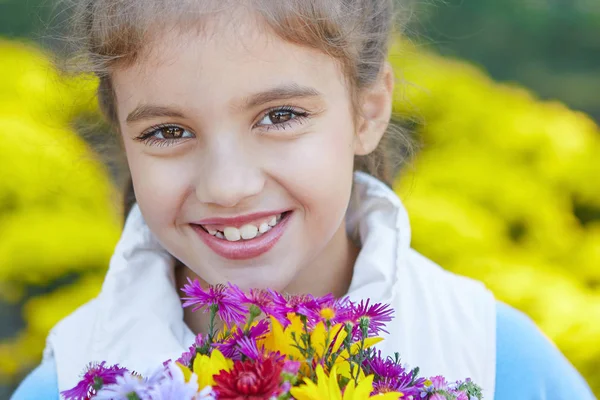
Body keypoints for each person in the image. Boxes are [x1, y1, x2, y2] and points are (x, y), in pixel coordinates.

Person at [11, 0, 595, 399]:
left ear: (368, 111)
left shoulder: (497, 365)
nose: (227, 185)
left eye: (280, 116)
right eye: (167, 131)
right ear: (122, 139)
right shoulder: (68, 383)